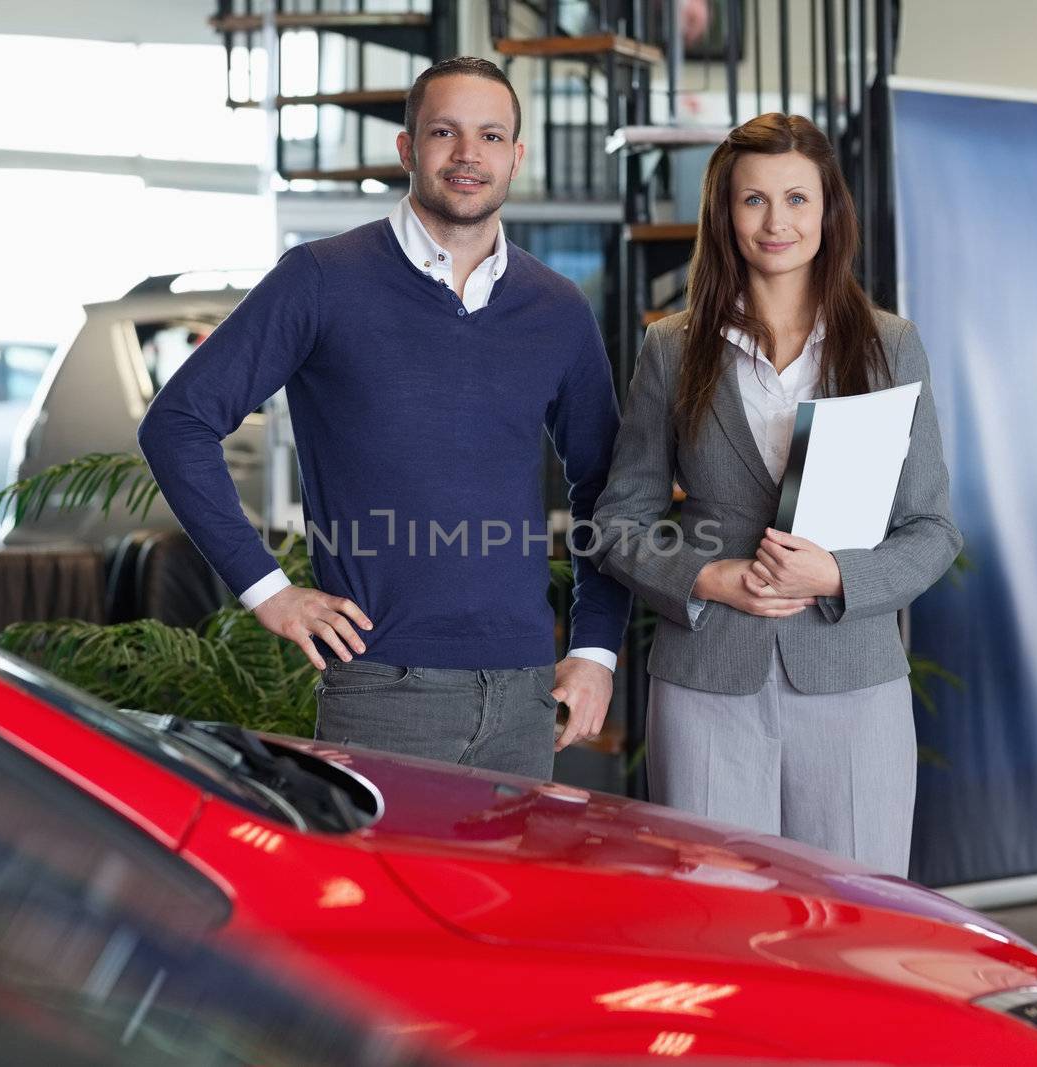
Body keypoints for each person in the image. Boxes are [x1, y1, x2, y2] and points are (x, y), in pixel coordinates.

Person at [138, 57, 631, 779]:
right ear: (407, 149)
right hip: (382, 689)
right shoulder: (321, 279)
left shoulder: (556, 308)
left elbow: (605, 487)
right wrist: (266, 589)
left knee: (506, 898)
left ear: (516, 157)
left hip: (526, 693)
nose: (469, 155)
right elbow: (177, 423)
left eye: (491, 136)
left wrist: (594, 652)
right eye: (444, 132)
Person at [590, 114, 961, 876]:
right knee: (716, 919)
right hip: (708, 680)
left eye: (797, 198)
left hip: (852, 679)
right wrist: (705, 575)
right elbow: (619, 521)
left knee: (855, 923)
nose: (776, 221)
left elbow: (931, 528)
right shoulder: (671, 346)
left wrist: (836, 575)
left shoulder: (890, 345)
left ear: (829, 211)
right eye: (753, 200)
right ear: (725, 213)